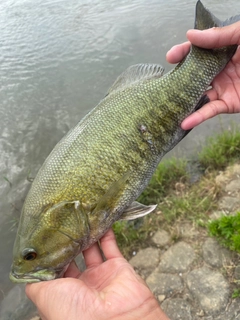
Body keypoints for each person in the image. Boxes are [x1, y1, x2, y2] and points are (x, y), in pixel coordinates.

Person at [26, 22, 240, 320]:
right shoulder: (68, 212)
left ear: (59, 217)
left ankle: (206, 58)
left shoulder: (78, 212)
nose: (31, 262)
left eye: (31, 255)